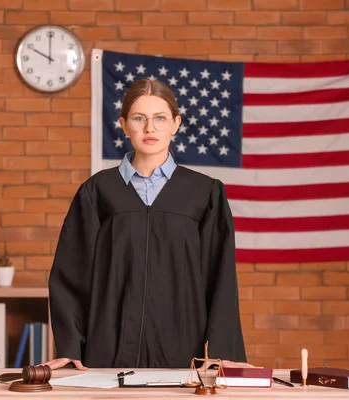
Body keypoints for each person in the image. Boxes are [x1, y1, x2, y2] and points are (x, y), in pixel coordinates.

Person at [45, 78, 248, 371]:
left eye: (160, 119)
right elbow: (70, 273)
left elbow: (221, 276)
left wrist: (222, 348)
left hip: (182, 349)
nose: (149, 128)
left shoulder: (205, 193)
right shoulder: (98, 191)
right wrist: (69, 345)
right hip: (106, 349)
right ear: (124, 124)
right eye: (139, 118)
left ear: (175, 124)